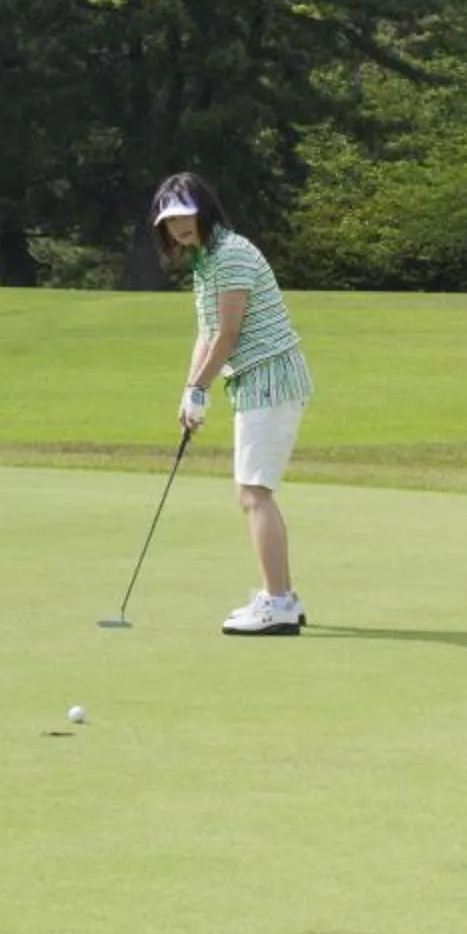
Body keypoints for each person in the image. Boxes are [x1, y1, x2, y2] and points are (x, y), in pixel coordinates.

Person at [151, 171, 313, 637]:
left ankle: (277, 602)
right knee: (253, 490)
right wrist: (191, 390)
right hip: (255, 382)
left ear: (203, 210)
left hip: (272, 380)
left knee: (253, 492)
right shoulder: (206, 259)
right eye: (170, 221)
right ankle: (282, 593)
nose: (179, 227)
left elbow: (229, 333)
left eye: (185, 216)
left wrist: (201, 387)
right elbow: (206, 331)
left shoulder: (232, 254)